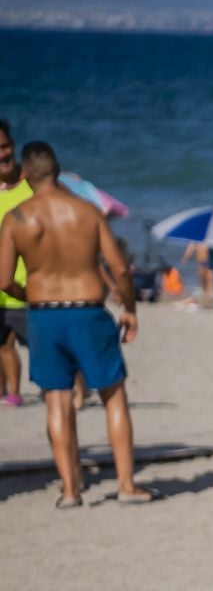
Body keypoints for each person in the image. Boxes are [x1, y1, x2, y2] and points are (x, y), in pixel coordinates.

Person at [0, 140, 153, 508]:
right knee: (113, 396)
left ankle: (70, 491)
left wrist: (31, 294)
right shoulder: (87, 211)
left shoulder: (17, 218)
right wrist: (129, 309)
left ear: (25, 174)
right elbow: (119, 268)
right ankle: (126, 485)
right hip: (87, 310)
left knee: (57, 401)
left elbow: (4, 280)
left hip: (44, 315)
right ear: (57, 169)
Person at [0, 120, 29, 407]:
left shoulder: (32, 183)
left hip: (29, 288)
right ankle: (12, 393)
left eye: (6, 146)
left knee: (48, 347)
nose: (2, 154)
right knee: (3, 346)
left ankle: (78, 392)